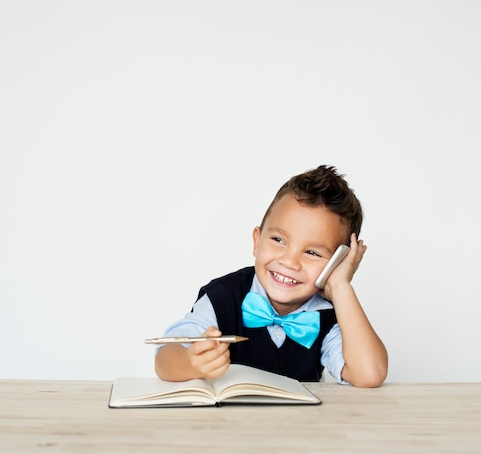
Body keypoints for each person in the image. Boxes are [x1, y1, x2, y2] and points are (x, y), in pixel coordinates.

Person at [155, 165, 388, 388]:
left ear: (336, 263)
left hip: (299, 428)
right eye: (278, 240)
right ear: (257, 240)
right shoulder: (223, 296)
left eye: (312, 252)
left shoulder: (328, 315)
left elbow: (369, 373)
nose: (289, 261)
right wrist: (192, 362)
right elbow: (164, 359)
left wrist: (340, 286)